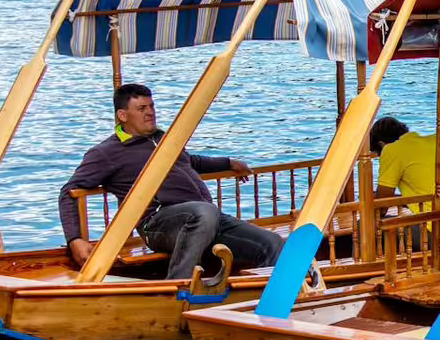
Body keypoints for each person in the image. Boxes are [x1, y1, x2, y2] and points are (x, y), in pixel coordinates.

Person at [59, 83, 281, 279]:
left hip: (205, 218)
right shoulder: (107, 152)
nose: (150, 113)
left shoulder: (162, 139)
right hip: (157, 224)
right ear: (123, 116)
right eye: (142, 109)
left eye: (152, 107)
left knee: (274, 244)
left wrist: (229, 162)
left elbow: (190, 162)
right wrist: (75, 239)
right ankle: (177, 287)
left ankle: (263, 295)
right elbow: (69, 191)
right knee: (203, 213)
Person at [369, 115, 440, 236]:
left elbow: (381, 208)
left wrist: (372, 199)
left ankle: (368, 256)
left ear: (381, 145)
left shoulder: (391, 150)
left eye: (378, 154)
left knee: (366, 225)